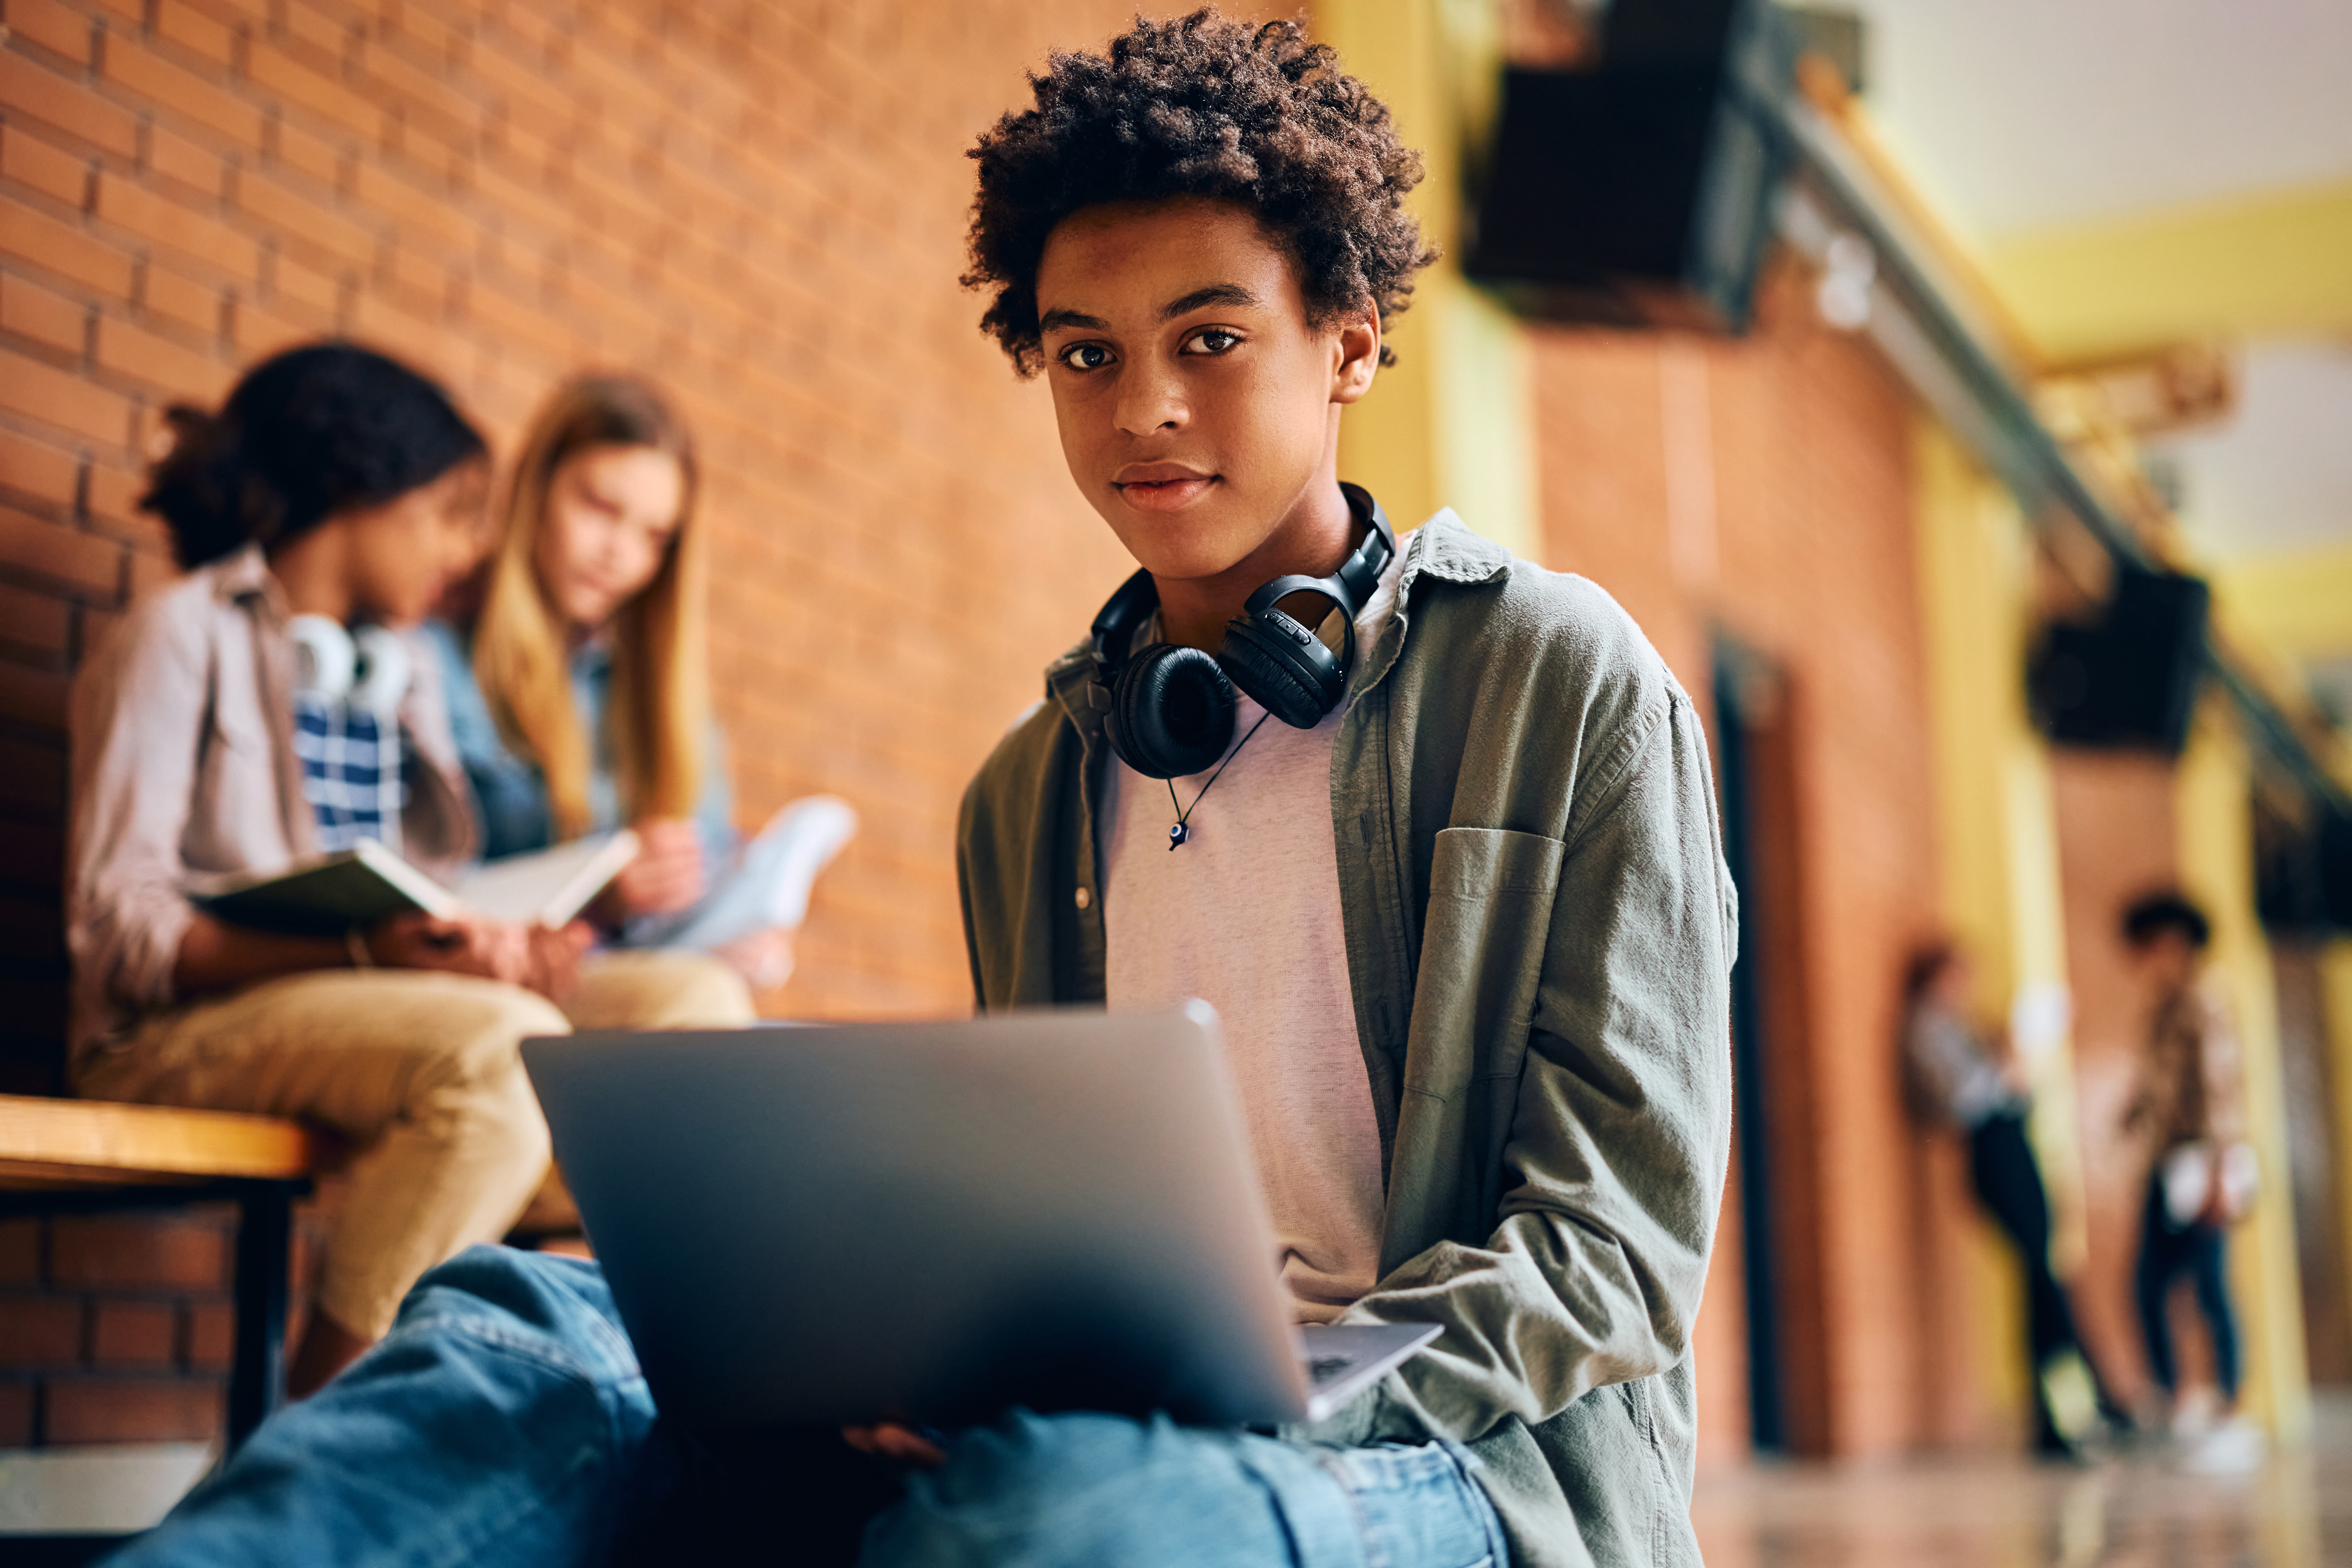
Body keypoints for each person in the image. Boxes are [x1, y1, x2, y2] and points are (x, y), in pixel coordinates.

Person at [105, 15, 1733, 1567]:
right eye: (1085, 352)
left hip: (1451, 1460)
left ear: (1352, 342)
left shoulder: (1561, 681)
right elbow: (1049, 1227)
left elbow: (1614, 1261)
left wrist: (1214, 1408)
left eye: (1212, 339)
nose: (1142, 407)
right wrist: (915, 1341)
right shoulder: (1031, 789)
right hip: (1081, 1401)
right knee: (526, 1326)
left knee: (1065, 1514)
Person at [66, 343, 750, 1403]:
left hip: (377, 1001)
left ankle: (583, 1405)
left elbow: (439, 882)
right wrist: (357, 946)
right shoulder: (181, 636)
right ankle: (312, 1456)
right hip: (176, 1031)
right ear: (363, 500)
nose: (467, 546)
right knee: (497, 1060)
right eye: (447, 513)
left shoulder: (399, 673)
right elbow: (122, 931)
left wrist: (491, 939)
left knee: (696, 1007)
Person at [423, 376, 795, 993]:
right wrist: (596, 897)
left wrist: (739, 929)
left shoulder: (666, 703)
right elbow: (422, 888)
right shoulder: (437, 655)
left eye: (653, 537)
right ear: (537, 489)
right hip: (490, 980)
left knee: (719, 1000)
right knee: (693, 1002)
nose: (619, 554)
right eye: (600, 508)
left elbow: (700, 868)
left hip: (623, 974)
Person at [1901, 943, 2106, 1457]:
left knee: (2046, 1279)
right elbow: (1961, 1101)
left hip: (2019, 1151)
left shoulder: (1964, 1025)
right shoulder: (1925, 1028)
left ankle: (2075, 1405)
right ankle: (2070, 1406)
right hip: (1993, 1159)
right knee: (2041, 1280)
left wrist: (2012, 1060)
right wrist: (2000, 1060)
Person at [2119, 892, 2258, 1464]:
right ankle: (2178, 1401)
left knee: (2210, 1284)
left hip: (2202, 1162)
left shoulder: (2205, 1000)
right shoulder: (2163, 1008)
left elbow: (2222, 1089)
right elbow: (2157, 1087)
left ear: (2173, 942)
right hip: (2166, 1163)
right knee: (2149, 1285)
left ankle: (2229, 1406)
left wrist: (2225, 1172)